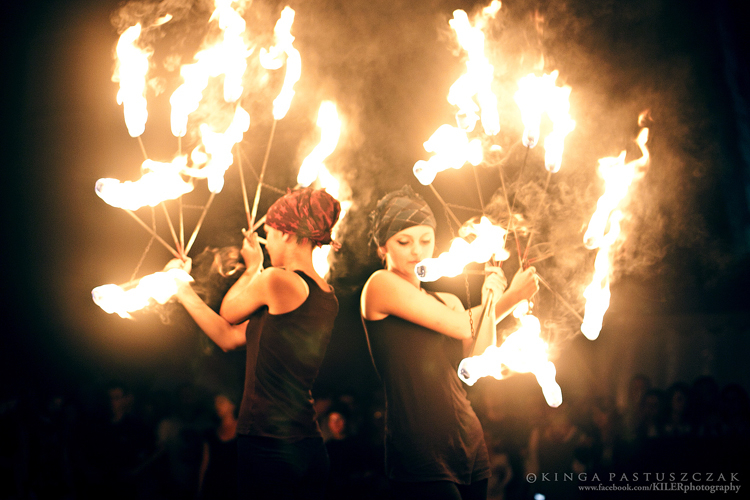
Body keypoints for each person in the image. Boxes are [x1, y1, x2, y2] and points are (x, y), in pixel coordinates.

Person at [360, 186, 539, 500]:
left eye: (425, 240)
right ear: (382, 247)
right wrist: (506, 297)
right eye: (404, 241)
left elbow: (479, 358)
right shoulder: (380, 286)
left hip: (468, 441)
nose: (417, 251)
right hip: (418, 447)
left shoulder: (447, 301)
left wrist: (495, 297)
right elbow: (460, 324)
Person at [170, 187, 342, 500]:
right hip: (305, 445)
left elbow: (229, 312)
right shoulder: (324, 295)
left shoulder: (277, 280)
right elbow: (229, 337)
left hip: (270, 445)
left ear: (287, 234)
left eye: (269, 233)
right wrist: (182, 291)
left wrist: (252, 268)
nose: (266, 242)